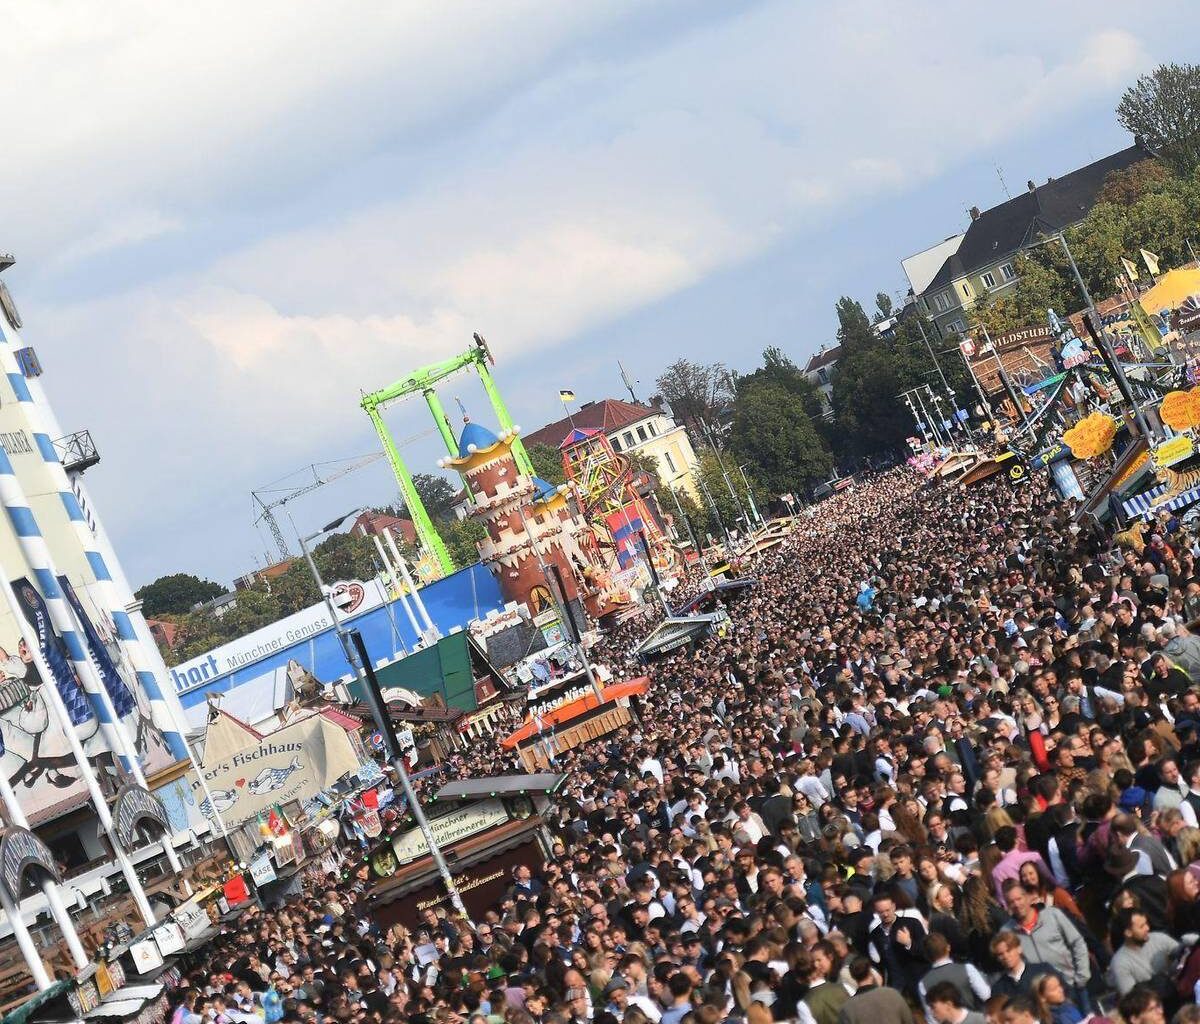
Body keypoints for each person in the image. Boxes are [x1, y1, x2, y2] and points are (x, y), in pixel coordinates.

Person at [998, 881, 1090, 1009]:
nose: (1016, 904)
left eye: (1019, 899)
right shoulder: (1007, 932)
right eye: (1011, 902)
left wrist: (1081, 977)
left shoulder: (1052, 915)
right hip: (1043, 999)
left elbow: (1077, 943)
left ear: (1028, 898)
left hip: (1073, 985)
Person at [1105, 908, 1180, 998]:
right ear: (1128, 933)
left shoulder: (1160, 939)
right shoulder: (1120, 963)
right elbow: (1131, 998)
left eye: (1146, 923)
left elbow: (1184, 954)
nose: (1147, 928)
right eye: (1141, 926)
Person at [838, 956, 914, 1024]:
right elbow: (909, 1020)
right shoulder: (891, 994)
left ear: (853, 977)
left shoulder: (848, 1009)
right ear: (870, 972)